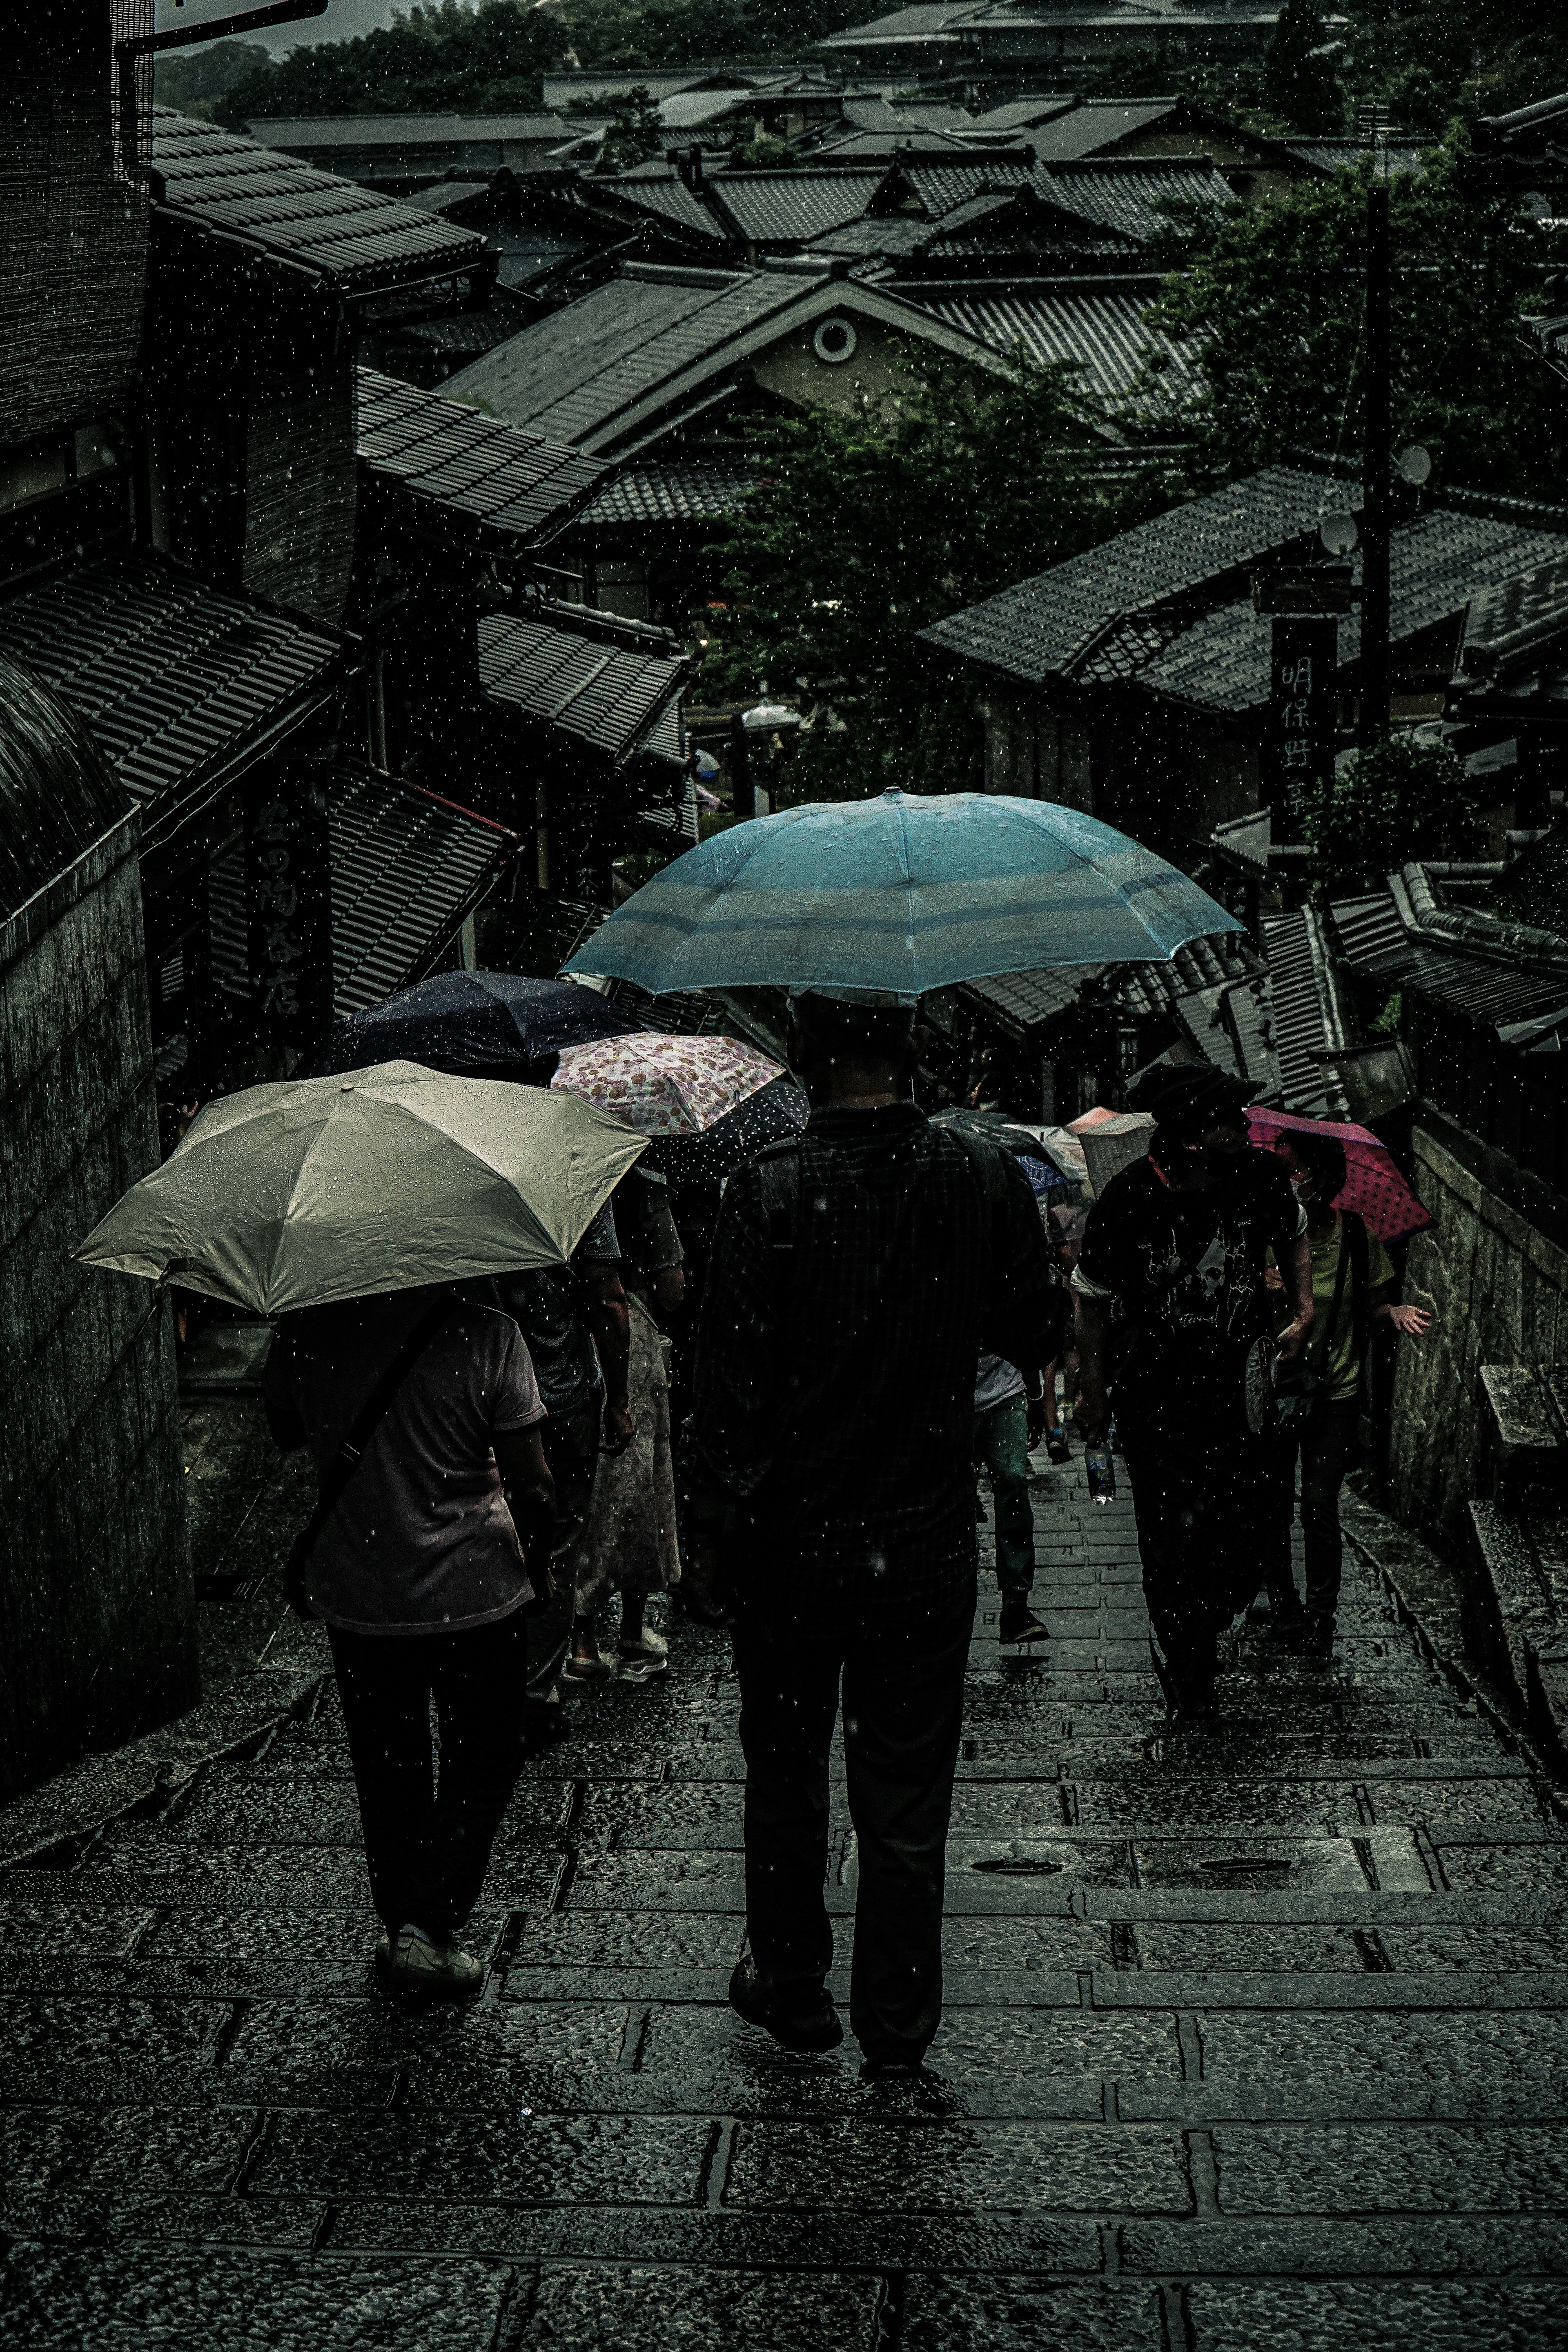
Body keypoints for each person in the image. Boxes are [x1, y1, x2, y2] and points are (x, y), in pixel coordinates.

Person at [691, 986, 1057, 2075]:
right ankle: (898, 2024)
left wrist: (721, 1536)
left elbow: (727, 1390)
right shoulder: (981, 1175)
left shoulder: (767, 1190)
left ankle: (794, 1983)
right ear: (911, 1057)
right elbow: (1028, 1329)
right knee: (905, 1792)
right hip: (924, 1536)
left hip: (792, 1545)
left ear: (805, 1058)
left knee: (788, 1769)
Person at [264, 1285, 555, 1997]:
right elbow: (532, 1482)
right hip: (477, 1594)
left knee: (387, 1765)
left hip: (363, 1590)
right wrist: (544, 1564)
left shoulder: (311, 1325)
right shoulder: (491, 1333)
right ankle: (431, 1921)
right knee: (483, 1758)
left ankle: (406, 1924)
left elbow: (285, 1428)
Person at [1072, 1061, 1314, 1723]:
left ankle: (1209, 1620)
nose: (1245, 1127)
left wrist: (1304, 1307)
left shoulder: (1259, 1179)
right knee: (1170, 1546)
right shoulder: (1129, 1199)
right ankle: (1190, 1672)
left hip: (1242, 1397)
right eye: (1229, 1120)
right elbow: (1090, 1301)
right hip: (1156, 1402)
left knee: (1246, 1534)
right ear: (1189, 1137)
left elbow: (1294, 1234)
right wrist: (1093, 1397)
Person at [1262, 1125, 1432, 1657]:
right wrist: (1261, 1286)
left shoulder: (1356, 1235)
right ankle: (1284, 1606)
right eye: (1283, 1171)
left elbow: (1373, 1304)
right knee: (1272, 1506)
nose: (1291, 1181)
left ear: (1322, 1174)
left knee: (1318, 1504)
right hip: (1277, 1391)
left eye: (1296, 1169)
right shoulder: (1268, 1235)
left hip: (1337, 1391)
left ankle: (1320, 1618)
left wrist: (1394, 1311)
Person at [493, 1202, 632, 1714]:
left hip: (479, 1398)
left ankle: (491, 1682)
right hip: (562, 1398)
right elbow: (608, 1299)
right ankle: (535, 1694)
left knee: (487, 1535)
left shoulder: (455, 1172)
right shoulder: (576, 1172)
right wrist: (619, 1399)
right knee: (556, 1545)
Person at [566, 1166, 685, 1682]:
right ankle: (633, 1629)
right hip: (628, 1338)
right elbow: (673, 1288)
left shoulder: (562, 1178)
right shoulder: (646, 1184)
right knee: (640, 1483)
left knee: (583, 1489)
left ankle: (581, 1635)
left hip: (564, 1340)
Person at [973, 1351, 1049, 1644]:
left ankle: (1015, 1606)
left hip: (1006, 1391)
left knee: (1013, 1483)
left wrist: (1035, 1399)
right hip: (949, 1396)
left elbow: (1022, 1340)